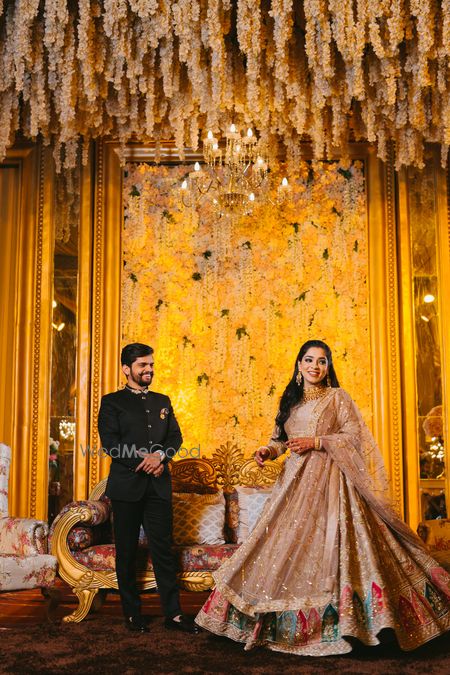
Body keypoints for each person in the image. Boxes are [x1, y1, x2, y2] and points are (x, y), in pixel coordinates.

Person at [195, 340, 450, 655]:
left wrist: (317, 441)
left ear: (328, 367)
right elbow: (281, 441)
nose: (315, 366)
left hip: (335, 483)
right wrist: (268, 451)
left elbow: (354, 437)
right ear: (299, 365)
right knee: (282, 547)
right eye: (309, 360)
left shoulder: (337, 397)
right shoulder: (290, 402)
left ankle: (357, 627)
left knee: (342, 544)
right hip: (296, 487)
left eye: (322, 361)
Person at [98, 342, 198, 634]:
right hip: (126, 487)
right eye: (143, 365)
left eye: (151, 365)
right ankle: (132, 614)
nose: (149, 370)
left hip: (158, 487)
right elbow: (111, 444)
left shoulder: (162, 400)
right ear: (127, 369)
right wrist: (144, 460)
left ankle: (174, 614)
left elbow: (175, 437)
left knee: (163, 551)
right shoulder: (112, 402)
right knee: (127, 552)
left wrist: (161, 457)